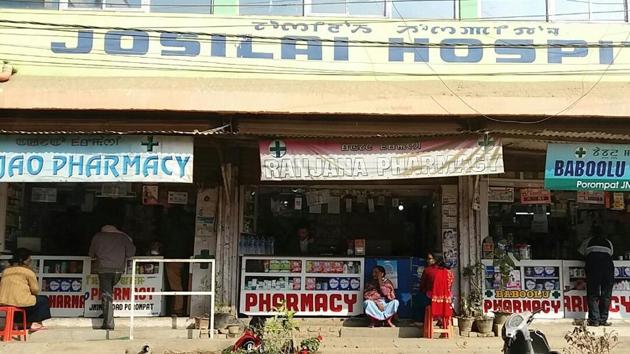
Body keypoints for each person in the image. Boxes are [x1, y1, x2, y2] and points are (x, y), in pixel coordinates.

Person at [89, 224, 136, 330]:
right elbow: (131, 253)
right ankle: (107, 317)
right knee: (108, 294)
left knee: (107, 295)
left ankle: (108, 323)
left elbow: (91, 254)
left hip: (103, 269)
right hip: (118, 270)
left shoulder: (98, 236)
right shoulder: (122, 237)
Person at [0, 248, 51, 332]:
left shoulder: (6, 271)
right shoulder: (28, 271)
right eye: (29, 260)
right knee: (42, 300)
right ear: (23, 260)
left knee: (23, 302)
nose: (30, 262)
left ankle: (16, 323)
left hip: (4, 301)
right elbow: (35, 290)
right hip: (19, 301)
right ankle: (35, 323)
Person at [578, 225, 614, 327]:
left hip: (593, 268)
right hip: (608, 268)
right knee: (606, 294)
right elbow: (611, 254)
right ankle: (603, 319)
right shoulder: (608, 242)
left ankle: (594, 320)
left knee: (593, 294)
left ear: (592, 233)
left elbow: (580, 253)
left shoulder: (588, 241)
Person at [418, 252, 454, 322]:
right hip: (446, 302)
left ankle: (424, 321)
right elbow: (450, 286)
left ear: (435, 260)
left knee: (420, 298)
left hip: (432, 300)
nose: (428, 261)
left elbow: (422, 285)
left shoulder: (428, 270)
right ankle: (442, 320)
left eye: (430, 259)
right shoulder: (449, 273)